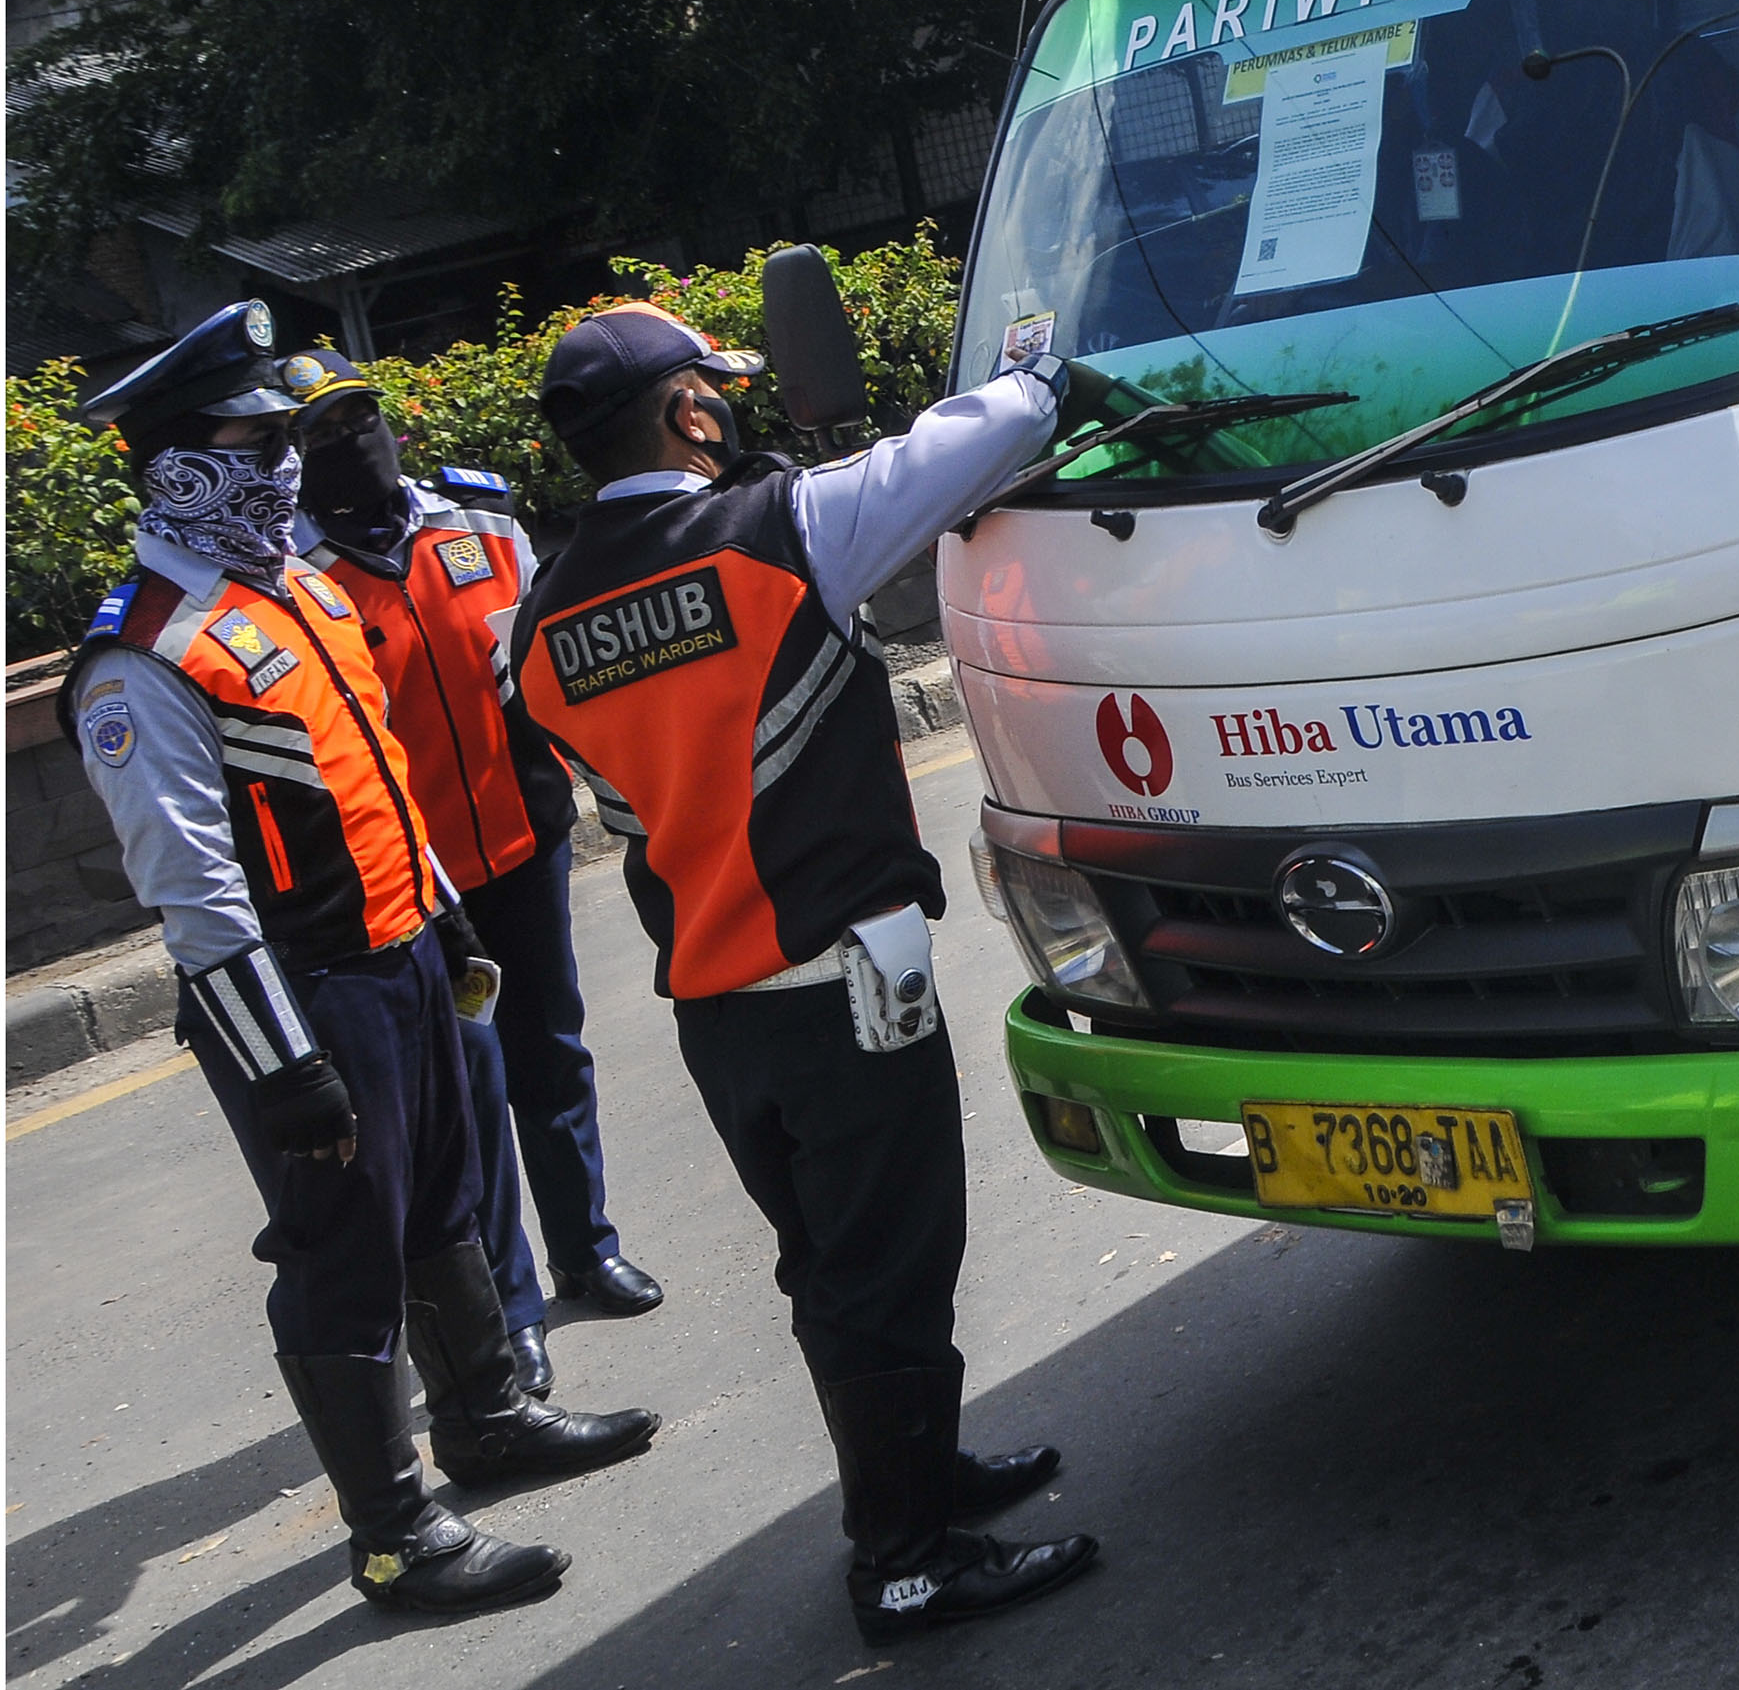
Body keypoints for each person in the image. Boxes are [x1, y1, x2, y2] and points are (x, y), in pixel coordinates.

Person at [508, 302, 1098, 1644]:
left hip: (719, 1008)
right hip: (847, 983)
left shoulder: (534, 626)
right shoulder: (782, 531)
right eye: (713, 389)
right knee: (892, 1269)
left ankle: (917, 1477)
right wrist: (1037, 358)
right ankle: (907, 1559)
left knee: (831, 1268)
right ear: (690, 412)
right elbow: (1000, 424)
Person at [62, 301, 655, 1616]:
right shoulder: (144, 653)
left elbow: (376, 778)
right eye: (251, 443)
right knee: (343, 1256)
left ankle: (487, 1418)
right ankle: (393, 1537)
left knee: (441, 1202)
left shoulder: (297, 587)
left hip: (402, 955)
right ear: (174, 465)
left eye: (286, 440)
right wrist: (287, 1068)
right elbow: (195, 892)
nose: (284, 465)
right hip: (303, 996)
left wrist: (445, 920)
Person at [283, 346, 663, 1402]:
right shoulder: (299, 578)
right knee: (474, 1088)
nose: (348, 443)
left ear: (388, 418)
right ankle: (512, 1310)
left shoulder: (482, 519)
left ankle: (587, 1249)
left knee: (553, 1049)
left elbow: (546, 659)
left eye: (357, 417)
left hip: (524, 839)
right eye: (319, 433)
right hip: (420, 885)